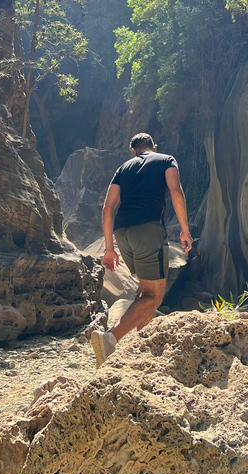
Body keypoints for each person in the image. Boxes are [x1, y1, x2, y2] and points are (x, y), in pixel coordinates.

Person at [91, 133, 193, 367]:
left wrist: (109, 248)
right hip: (148, 229)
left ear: (133, 151)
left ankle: (141, 347)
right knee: (153, 295)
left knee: (146, 291)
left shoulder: (123, 168)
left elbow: (108, 208)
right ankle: (110, 339)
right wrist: (185, 230)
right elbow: (176, 192)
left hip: (122, 232)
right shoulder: (166, 159)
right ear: (154, 146)